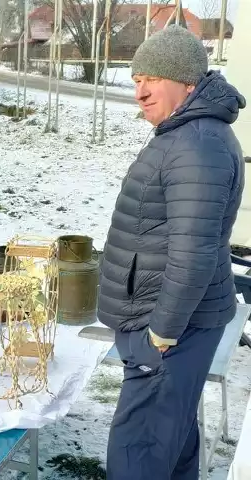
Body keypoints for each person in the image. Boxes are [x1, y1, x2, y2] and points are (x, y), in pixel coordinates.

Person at [97, 26, 246, 480]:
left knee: (139, 449)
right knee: (171, 438)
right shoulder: (187, 133)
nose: (140, 90)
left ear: (187, 82)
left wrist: (160, 333)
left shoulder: (197, 143)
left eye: (153, 78)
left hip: (169, 326)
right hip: (171, 318)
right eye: (136, 77)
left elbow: (193, 250)